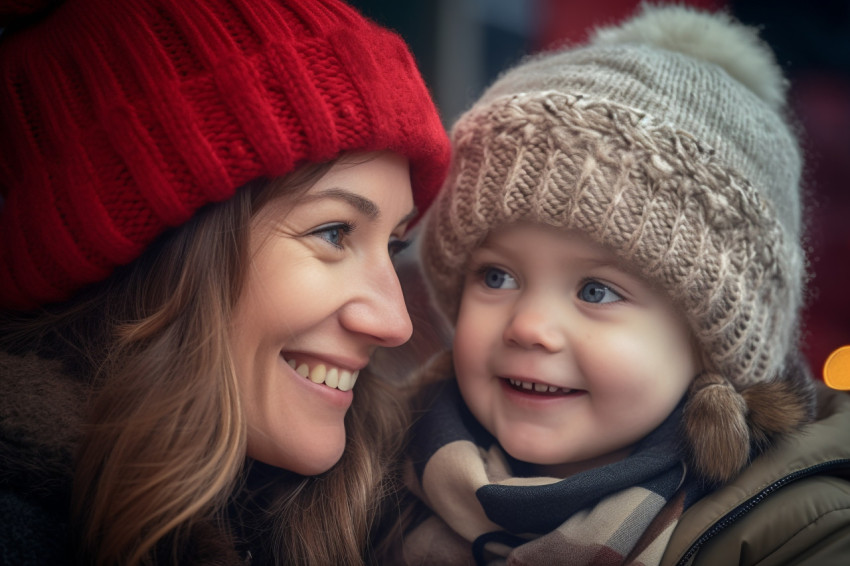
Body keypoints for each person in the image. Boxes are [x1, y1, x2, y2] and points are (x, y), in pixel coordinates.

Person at [0, 0, 449, 564]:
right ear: (154, 256)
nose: (395, 323)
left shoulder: (413, 514)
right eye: (334, 233)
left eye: (394, 245)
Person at [399, 5, 850, 565]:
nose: (530, 327)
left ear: (713, 345)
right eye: (497, 276)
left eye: (596, 291)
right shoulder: (375, 476)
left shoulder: (795, 533)